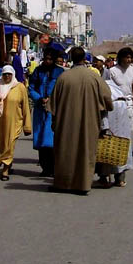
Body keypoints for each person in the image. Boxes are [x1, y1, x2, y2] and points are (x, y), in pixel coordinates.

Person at [49, 46, 113, 193]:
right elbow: (107, 98)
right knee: (86, 151)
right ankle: (83, 184)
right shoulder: (94, 77)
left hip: (66, 122)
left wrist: (54, 122)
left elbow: (53, 104)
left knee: (65, 151)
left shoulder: (63, 78)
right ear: (84, 59)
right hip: (88, 121)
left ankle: (63, 183)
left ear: (71, 58)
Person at [0, 65, 32, 181]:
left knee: (9, 145)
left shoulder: (20, 87)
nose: (7, 76)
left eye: (9, 74)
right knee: (2, 145)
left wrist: (27, 126)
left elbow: (26, 107)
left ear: (13, 75)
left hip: (15, 122)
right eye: (5, 74)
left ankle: (3, 169)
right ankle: (7, 162)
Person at [105, 47, 133, 185]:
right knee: (110, 138)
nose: (129, 60)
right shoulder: (112, 71)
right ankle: (106, 173)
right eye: (127, 57)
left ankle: (121, 175)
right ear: (120, 58)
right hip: (113, 106)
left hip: (128, 106)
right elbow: (106, 89)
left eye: (131, 57)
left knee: (125, 140)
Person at [28, 49, 63, 176]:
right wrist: (39, 98)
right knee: (40, 139)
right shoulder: (37, 71)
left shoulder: (59, 72)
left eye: (50, 59)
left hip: (53, 110)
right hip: (39, 109)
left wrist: (51, 99)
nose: (48, 61)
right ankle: (45, 167)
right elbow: (31, 87)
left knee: (52, 139)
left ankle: (54, 168)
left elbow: (61, 89)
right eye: (46, 59)